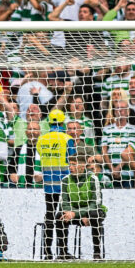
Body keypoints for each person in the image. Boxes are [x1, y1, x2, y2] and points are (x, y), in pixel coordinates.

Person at [36, 109, 76, 260]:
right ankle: (63, 251)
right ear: (63, 122)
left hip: (48, 184)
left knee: (49, 216)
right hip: (64, 184)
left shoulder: (42, 139)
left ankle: (47, 252)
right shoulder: (67, 139)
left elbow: (41, 157)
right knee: (63, 216)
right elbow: (72, 160)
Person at [56, 154, 106, 260]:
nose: (70, 167)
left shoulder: (93, 179)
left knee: (94, 214)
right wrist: (74, 214)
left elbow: (95, 203)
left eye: (73, 164)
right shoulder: (65, 180)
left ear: (82, 166)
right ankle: (63, 252)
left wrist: (78, 214)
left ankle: (97, 253)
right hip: (73, 214)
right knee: (59, 215)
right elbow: (63, 203)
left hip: (91, 213)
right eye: (70, 164)